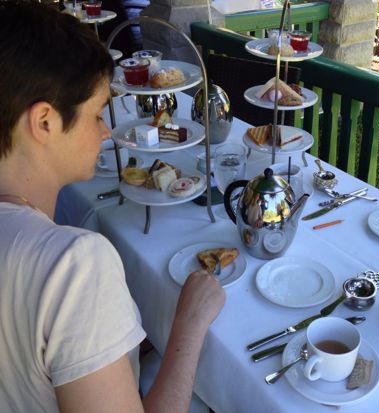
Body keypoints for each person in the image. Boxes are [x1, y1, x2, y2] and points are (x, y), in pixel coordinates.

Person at [0, 2, 225, 412]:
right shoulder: (72, 266)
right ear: (45, 122)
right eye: (96, 113)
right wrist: (187, 327)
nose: (106, 132)